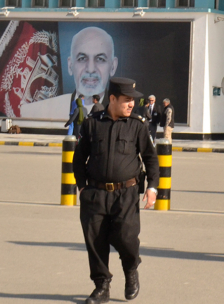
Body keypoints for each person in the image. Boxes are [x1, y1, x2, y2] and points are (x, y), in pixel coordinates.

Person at [73, 77, 158, 304]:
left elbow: (150, 159)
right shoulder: (92, 123)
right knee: (96, 241)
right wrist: (82, 188)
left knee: (126, 237)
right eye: (127, 100)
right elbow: (79, 158)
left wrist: (152, 187)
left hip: (126, 194)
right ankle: (102, 286)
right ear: (112, 99)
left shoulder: (138, 125)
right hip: (95, 193)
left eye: (133, 100)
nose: (132, 104)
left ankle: (131, 270)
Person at [22, 26, 118, 121]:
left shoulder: (124, 111)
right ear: (70, 65)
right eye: (82, 59)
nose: (90, 69)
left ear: (113, 66)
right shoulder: (40, 113)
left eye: (100, 59)